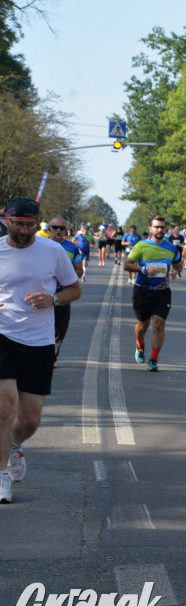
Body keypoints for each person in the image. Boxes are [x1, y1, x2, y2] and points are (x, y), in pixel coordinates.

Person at [0, 197, 82, 503]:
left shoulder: (53, 251)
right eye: (17, 223)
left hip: (38, 341)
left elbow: (74, 289)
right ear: (5, 219)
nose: (23, 230)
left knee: (30, 419)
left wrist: (53, 300)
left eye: (30, 224)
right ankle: (1, 477)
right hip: (3, 334)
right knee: (4, 408)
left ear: (39, 223)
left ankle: (14, 446)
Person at [124, 215, 182, 372]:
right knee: (143, 324)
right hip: (142, 290)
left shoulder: (172, 248)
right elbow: (127, 265)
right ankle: (140, 343)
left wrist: (175, 271)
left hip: (162, 292)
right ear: (150, 229)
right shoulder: (142, 246)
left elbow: (178, 266)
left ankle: (153, 359)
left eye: (162, 227)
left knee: (159, 324)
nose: (160, 230)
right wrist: (144, 269)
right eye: (156, 227)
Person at [47, 217, 84, 367]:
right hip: (42, 292)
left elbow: (79, 270)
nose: (58, 231)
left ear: (66, 230)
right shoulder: (39, 245)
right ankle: (46, 355)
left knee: (60, 327)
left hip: (62, 293)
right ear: (49, 228)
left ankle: (53, 355)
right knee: (43, 326)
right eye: (55, 227)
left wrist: (67, 277)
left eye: (62, 228)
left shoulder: (72, 248)